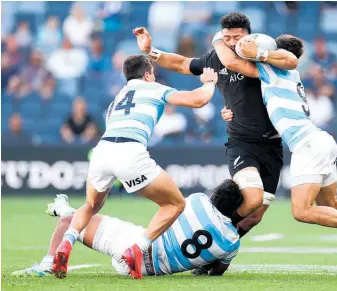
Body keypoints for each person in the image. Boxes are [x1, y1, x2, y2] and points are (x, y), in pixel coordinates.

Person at [214, 33, 337, 262]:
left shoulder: (272, 71)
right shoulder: (288, 74)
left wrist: (220, 39)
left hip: (308, 144)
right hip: (320, 140)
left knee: (301, 211)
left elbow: (233, 62)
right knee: (329, 203)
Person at [52, 55, 218, 279]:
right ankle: (137, 249)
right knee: (175, 203)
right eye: (153, 73)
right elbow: (198, 100)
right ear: (147, 74)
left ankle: (67, 243)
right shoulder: (154, 88)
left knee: (91, 204)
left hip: (102, 150)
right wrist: (209, 82)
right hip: (130, 151)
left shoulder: (118, 97)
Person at [133, 12, 294, 240]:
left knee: (255, 216)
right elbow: (181, 63)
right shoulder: (216, 59)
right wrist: (151, 51)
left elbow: (287, 65)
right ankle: (200, 232)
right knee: (252, 198)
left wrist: (220, 40)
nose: (231, 42)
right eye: (227, 37)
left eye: (237, 37)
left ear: (250, 36)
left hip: (273, 145)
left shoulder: (260, 56)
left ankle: (217, 253)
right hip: (242, 143)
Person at [13, 179, 242, 278]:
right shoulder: (232, 242)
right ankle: (65, 209)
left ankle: (47, 263)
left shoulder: (199, 200)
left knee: (68, 223)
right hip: (148, 270)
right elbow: (218, 271)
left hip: (132, 246)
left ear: (213, 195)